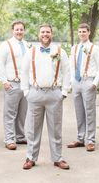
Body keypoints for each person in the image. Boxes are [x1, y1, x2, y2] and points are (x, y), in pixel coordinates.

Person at [21, 23, 70, 170]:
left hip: (54, 93)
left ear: (52, 34)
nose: (45, 34)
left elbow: (67, 72)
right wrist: (26, 92)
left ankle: (57, 158)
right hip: (35, 93)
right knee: (33, 129)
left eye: (47, 32)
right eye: (42, 32)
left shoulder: (60, 51)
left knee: (55, 128)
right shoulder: (31, 51)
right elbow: (24, 72)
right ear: (38, 34)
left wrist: (64, 92)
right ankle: (30, 157)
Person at [67, 23, 99, 152]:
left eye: (84, 31)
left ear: (89, 32)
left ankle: (91, 140)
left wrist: (95, 83)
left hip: (89, 82)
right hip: (76, 82)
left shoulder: (95, 48)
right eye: (80, 31)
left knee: (90, 112)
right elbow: (71, 66)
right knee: (79, 111)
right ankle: (80, 138)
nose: (82, 34)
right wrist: (71, 81)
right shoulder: (74, 48)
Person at [0, 20, 28, 150]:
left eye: (21, 29)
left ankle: (20, 136)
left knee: (22, 112)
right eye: (17, 29)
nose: (19, 32)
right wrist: (4, 81)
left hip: (25, 84)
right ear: (12, 31)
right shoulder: (6, 45)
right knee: (10, 113)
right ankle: (9, 139)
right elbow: (0, 64)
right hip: (12, 83)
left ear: (24, 31)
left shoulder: (27, 45)